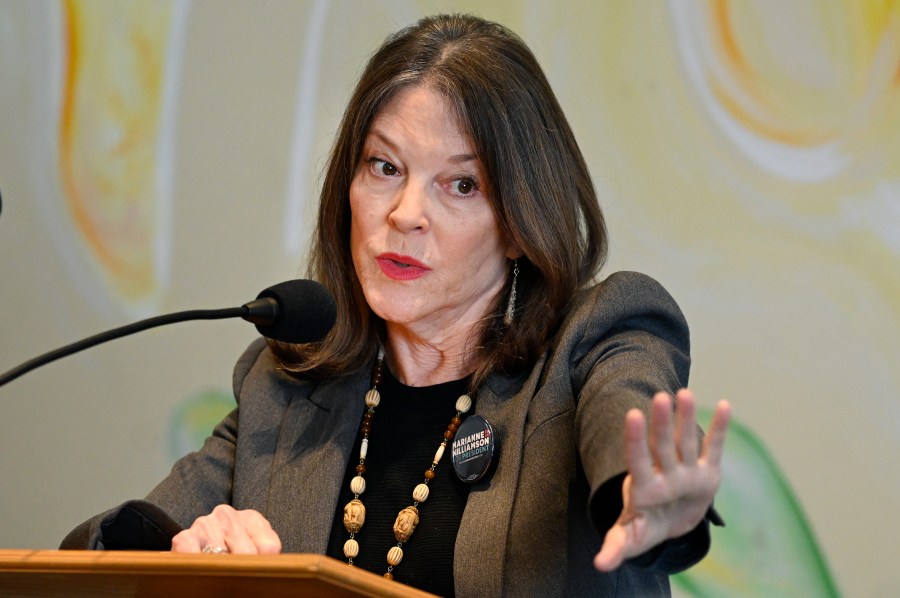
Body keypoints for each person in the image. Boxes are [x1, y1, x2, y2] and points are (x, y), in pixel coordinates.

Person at [61, 13, 730, 597]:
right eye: (385, 167)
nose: (406, 214)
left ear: (522, 221)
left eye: (461, 184)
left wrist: (645, 495)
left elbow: (628, 416)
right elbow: (92, 561)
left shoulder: (597, 342)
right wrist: (181, 551)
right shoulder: (286, 391)